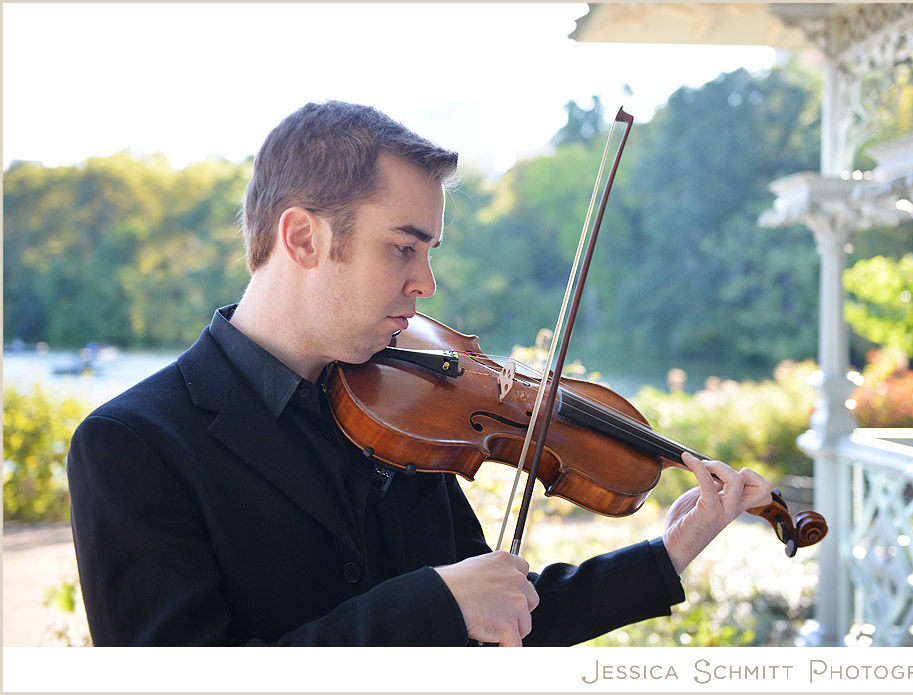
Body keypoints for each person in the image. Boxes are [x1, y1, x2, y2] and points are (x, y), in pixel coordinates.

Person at [67, 100, 772, 647]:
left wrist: (668, 554)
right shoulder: (132, 444)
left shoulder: (407, 406)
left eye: (429, 251)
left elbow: (497, 613)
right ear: (304, 237)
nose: (426, 282)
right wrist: (433, 603)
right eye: (404, 248)